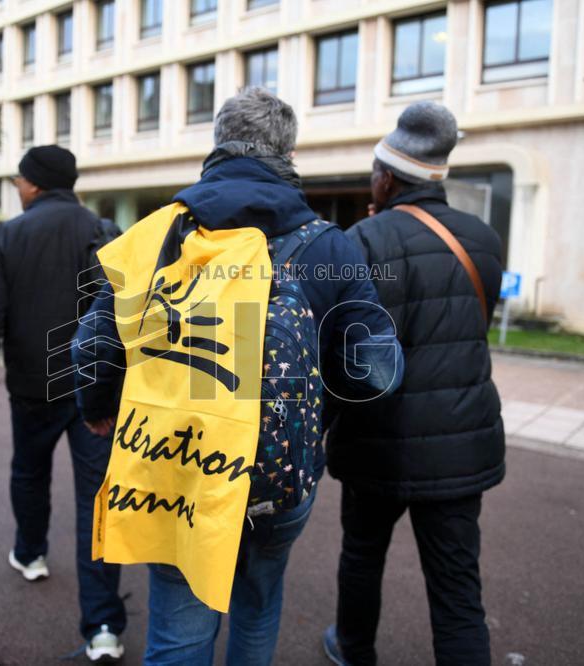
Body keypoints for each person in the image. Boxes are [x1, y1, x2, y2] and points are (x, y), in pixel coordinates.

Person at [73, 88, 404, 666]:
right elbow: (375, 373)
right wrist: (322, 410)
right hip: (279, 476)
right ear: (290, 152)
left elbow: (93, 345)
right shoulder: (330, 248)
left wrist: (98, 406)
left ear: (217, 144)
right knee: (257, 602)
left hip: (175, 466)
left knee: (179, 625)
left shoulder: (156, 237)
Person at [322, 101, 505, 666]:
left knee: (362, 555)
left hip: (379, 442)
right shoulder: (481, 237)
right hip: (461, 439)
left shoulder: (366, 241)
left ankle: (353, 649)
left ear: (386, 175)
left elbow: (356, 356)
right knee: (456, 585)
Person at [0, 145, 126, 663]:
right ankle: (102, 627)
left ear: (33, 184)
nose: (16, 186)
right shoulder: (102, 232)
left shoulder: (6, 238)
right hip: (94, 392)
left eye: (18, 180)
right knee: (97, 499)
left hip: (33, 388)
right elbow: (125, 319)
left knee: (29, 472)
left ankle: (31, 553)